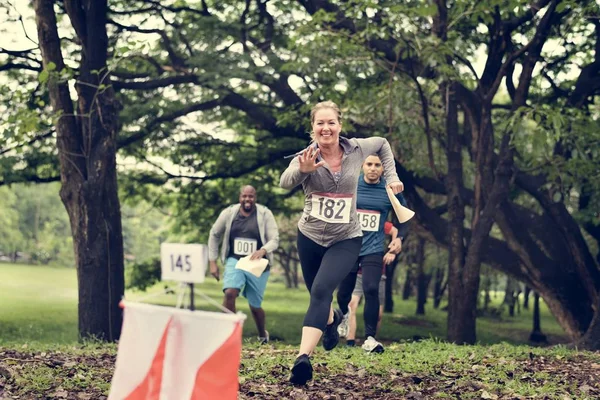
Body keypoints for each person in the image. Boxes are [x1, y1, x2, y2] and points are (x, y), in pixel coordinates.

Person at [279, 101, 404, 385]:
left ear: (339, 125)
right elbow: (285, 182)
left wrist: (393, 177)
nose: (326, 128)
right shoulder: (305, 156)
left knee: (322, 290)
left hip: (346, 238)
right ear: (313, 128)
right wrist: (304, 170)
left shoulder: (358, 149)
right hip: (309, 237)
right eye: (320, 123)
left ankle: (302, 358)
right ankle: (332, 319)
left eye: (331, 122)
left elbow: (383, 144)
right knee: (318, 298)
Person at [336, 154, 410, 353]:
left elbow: (405, 219)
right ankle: (342, 313)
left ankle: (369, 338)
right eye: (369, 164)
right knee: (344, 293)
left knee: (371, 289)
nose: (373, 168)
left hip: (374, 249)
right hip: (349, 247)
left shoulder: (389, 190)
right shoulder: (350, 185)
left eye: (377, 165)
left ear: (383, 168)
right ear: (362, 166)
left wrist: (399, 239)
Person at [208, 185, 279, 344]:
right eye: (244, 196)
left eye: (251, 196)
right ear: (240, 197)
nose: (247, 199)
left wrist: (263, 250)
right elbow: (214, 234)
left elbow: (274, 239)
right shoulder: (229, 213)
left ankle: (262, 334)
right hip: (236, 260)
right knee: (230, 293)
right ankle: (230, 336)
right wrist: (212, 262)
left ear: (255, 197)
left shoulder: (265, 214)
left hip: (257, 264)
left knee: (255, 306)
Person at [341, 221, 399, 349]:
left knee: (378, 314)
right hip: (357, 271)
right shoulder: (355, 219)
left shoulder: (376, 220)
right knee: (352, 305)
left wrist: (391, 251)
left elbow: (394, 230)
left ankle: (371, 340)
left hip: (377, 272)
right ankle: (350, 341)